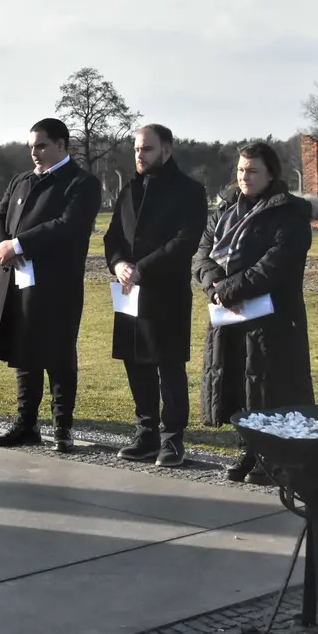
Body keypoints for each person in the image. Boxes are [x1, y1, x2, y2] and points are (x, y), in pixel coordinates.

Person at [194, 141, 318, 485]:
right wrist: (214, 287)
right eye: (240, 170)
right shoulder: (225, 211)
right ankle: (248, 448)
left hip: (273, 318)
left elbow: (274, 266)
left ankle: (274, 457)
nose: (244, 177)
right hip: (230, 316)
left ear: (271, 174)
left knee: (268, 384)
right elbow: (203, 254)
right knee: (237, 379)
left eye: (252, 171)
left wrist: (227, 289)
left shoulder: (290, 216)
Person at [0, 117, 101, 452]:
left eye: (42, 146)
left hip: (57, 287)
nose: (34, 152)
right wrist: (1, 246)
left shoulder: (81, 183)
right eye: (31, 146)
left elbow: (69, 226)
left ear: (62, 145)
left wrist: (18, 245)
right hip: (16, 282)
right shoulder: (21, 180)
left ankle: (63, 428)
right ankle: (26, 424)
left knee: (59, 356)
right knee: (24, 355)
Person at [104, 124, 209, 467]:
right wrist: (118, 263)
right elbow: (113, 237)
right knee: (135, 362)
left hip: (166, 293)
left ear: (166, 150)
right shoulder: (129, 190)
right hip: (129, 291)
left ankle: (173, 440)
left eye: (147, 149)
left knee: (169, 366)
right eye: (136, 149)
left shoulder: (189, 191)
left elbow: (185, 241)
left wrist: (143, 267)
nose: (139, 154)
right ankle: (146, 433)